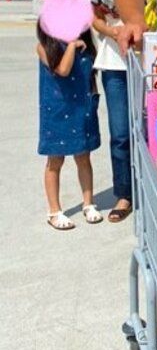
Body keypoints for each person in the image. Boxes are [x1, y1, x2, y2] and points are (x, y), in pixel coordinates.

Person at [83, 0, 138, 223]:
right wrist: (111, 31)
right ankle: (124, 193)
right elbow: (91, 15)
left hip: (151, 66)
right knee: (120, 133)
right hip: (114, 65)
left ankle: (155, 188)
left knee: (151, 132)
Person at [37, 20, 102, 231]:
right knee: (55, 160)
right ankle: (54, 211)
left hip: (80, 109)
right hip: (56, 111)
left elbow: (90, 77)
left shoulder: (86, 48)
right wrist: (72, 47)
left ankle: (88, 203)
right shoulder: (44, 48)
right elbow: (63, 70)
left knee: (83, 157)